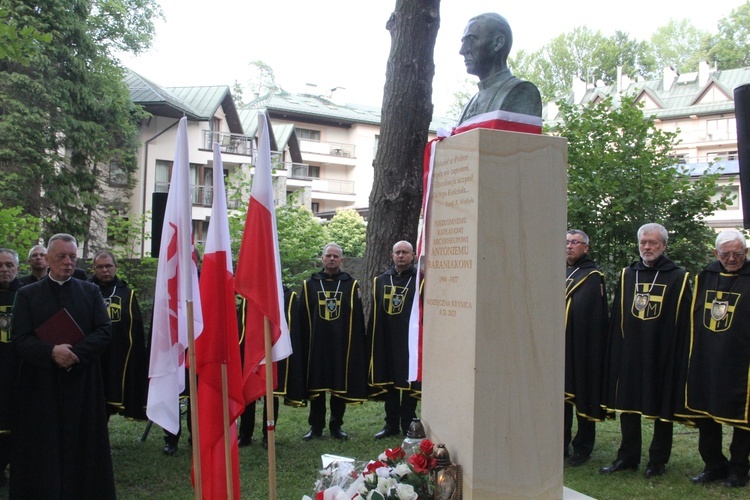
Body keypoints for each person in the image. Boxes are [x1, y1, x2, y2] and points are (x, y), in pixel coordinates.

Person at [10, 233, 115, 498]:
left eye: (72, 257)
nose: (68, 262)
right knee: (43, 444)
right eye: (61, 257)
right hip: (40, 384)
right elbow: (20, 338)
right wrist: (51, 352)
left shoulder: (90, 291)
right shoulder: (27, 294)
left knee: (83, 445)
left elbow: (104, 331)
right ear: (46, 259)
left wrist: (76, 354)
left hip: (82, 382)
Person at [600, 223, 691, 478]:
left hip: (662, 354)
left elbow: (683, 322)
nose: (647, 247)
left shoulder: (679, 277)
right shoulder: (629, 274)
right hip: (631, 352)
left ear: (663, 245)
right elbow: (619, 316)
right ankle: (627, 457)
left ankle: (657, 460)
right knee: (628, 406)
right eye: (643, 243)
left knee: (662, 407)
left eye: (652, 243)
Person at [678, 229, 750, 488]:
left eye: (737, 254)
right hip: (707, 358)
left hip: (742, 361)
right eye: (725, 254)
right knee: (705, 414)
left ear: (746, 252)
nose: (731, 259)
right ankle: (714, 465)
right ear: (715, 253)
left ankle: (739, 469)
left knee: (742, 417)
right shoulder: (705, 276)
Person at [299, 243, 367, 440]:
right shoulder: (309, 285)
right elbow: (303, 316)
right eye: (328, 255)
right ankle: (316, 427)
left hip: (341, 345)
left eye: (335, 256)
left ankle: (336, 426)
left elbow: (356, 318)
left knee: (339, 385)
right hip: (316, 344)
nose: (331, 259)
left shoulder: (350, 285)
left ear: (342, 260)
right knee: (317, 387)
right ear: (322, 259)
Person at [237, 286, 305, 449]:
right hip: (252, 347)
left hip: (273, 346)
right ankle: (245, 434)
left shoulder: (286, 295)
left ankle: (269, 434)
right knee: (249, 390)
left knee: (271, 392)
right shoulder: (248, 293)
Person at [368, 240, 422, 439]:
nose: (401, 255)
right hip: (388, 340)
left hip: (410, 341)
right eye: (397, 252)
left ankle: (408, 423)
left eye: (405, 252)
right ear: (392, 256)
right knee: (390, 382)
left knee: (408, 382)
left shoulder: (420, 280)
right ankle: (390, 424)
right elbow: (376, 312)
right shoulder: (381, 280)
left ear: (413, 255)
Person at [563, 230, 608, 466]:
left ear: (586, 248)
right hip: (559, 346)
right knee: (559, 398)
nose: (569, 246)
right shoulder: (558, 271)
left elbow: (593, 315)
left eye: (574, 242)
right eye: (566, 242)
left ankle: (582, 448)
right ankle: (559, 444)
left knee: (582, 394)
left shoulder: (592, 276)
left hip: (582, 347)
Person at [89, 250, 148, 420]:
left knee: (113, 391)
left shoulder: (126, 292)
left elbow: (134, 325)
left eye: (108, 266)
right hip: (93, 353)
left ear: (116, 267)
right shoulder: (85, 289)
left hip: (118, 353)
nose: (105, 270)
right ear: (94, 268)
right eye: (100, 267)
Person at [456, 13, 542, 125]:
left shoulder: (522, 91)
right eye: (463, 42)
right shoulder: (469, 104)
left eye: (471, 40)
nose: (462, 51)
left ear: (498, 43)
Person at [0, 248, 22, 485]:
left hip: (18, 370)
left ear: (17, 267)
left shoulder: (28, 294)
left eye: (9, 265)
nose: (4, 270)